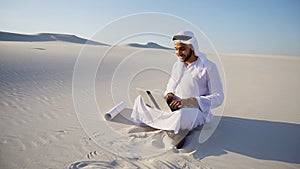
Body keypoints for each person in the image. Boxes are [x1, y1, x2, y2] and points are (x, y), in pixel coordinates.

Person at [131, 30, 224, 148]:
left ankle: (170, 126)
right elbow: (171, 85)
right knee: (141, 99)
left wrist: (190, 101)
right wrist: (169, 94)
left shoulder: (209, 67)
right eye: (176, 49)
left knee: (181, 116)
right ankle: (175, 128)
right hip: (173, 106)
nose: (178, 53)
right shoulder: (177, 65)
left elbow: (218, 97)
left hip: (195, 111)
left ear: (192, 47)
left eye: (182, 49)